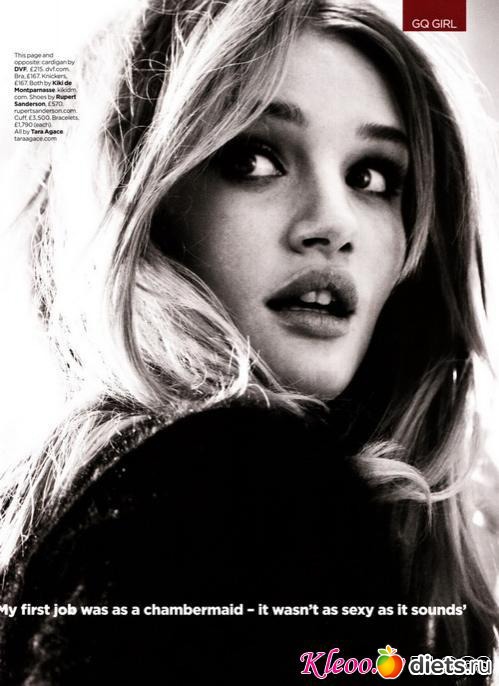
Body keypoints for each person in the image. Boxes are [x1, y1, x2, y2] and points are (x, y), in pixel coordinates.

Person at [0, 0, 498, 683]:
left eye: (372, 176)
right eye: (253, 158)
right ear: (139, 205)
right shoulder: (246, 483)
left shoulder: (61, 502)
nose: (333, 222)